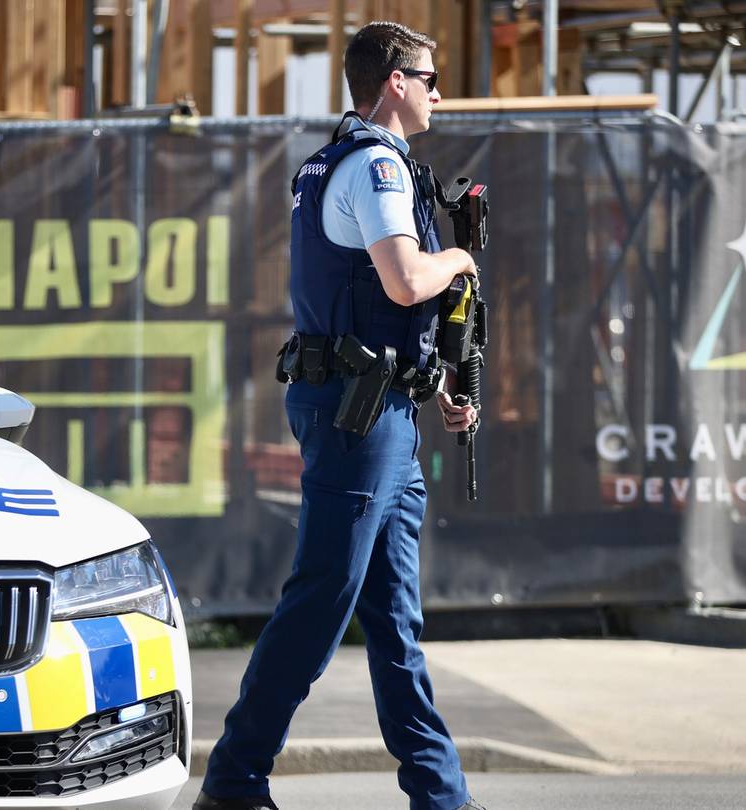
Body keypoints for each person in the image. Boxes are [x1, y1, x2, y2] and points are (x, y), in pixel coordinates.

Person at [192, 21, 484, 810]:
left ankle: (441, 795)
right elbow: (401, 281)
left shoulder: (343, 161)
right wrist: (459, 258)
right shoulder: (376, 166)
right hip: (362, 419)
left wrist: (440, 384)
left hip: (383, 408)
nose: (436, 90)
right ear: (394, 80)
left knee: (394, 623)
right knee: (322, 601)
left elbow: (383, 306)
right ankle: (234, 781)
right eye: (427, 76)